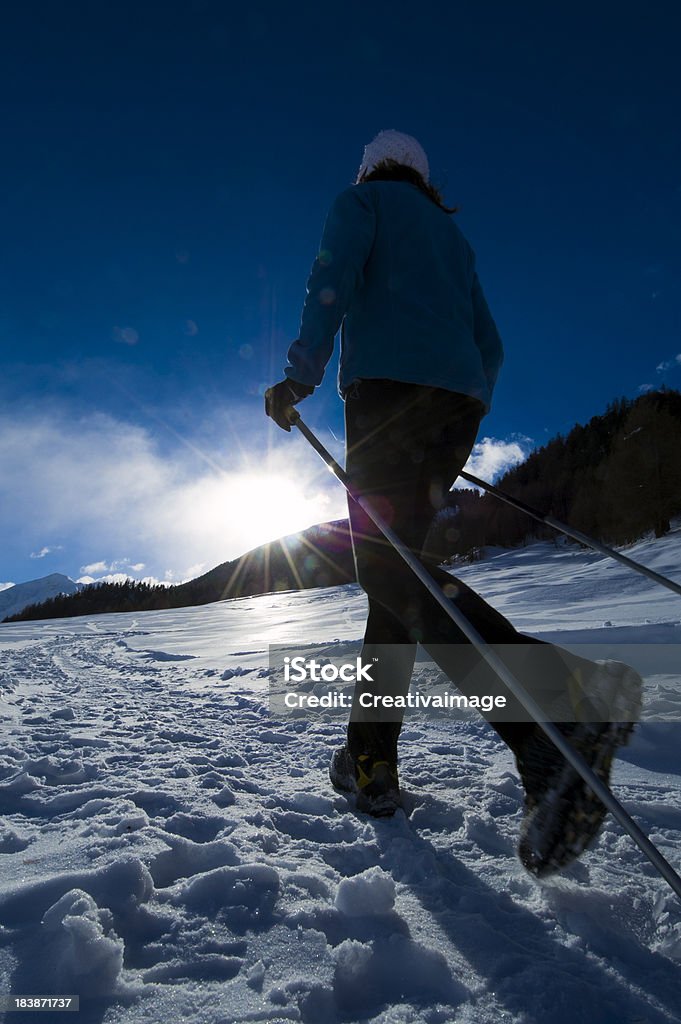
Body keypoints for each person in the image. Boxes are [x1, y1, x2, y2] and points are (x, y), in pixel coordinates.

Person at [265, 130, 641, 878]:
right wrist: (465, 403)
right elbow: (489, 343)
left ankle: (557, 708)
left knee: (391, 572)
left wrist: (300, 374)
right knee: (394, 582)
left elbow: (331, 280)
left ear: (371, 166)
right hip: (453, 407)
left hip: (385, 399)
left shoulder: (360, 201)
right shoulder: (451, 237)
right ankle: (370, 760)